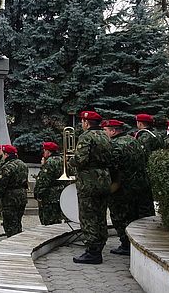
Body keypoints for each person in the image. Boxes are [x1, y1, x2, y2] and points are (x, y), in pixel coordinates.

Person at [68, 111, 112, 265]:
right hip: (104, 180)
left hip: (89, 182)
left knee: (88, 216)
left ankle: (92, 252)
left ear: (86, 123)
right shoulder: (105, 136)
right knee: (100, 215)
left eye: (82, 121)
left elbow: (80, 159)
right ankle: (99, 245)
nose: (82, 124)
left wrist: (70, 161)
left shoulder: (86, 136)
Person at [102, 119, 148, 256]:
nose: (104, 133)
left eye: (105, 130)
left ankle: (126, 244)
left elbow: (113, 167)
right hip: (139, 185)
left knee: (119, 216)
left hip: (122, 188)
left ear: (113, 131)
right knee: (134, 215)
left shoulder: (115, 145)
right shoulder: (133, 140)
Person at [0, 145, 28, 237]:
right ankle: (18, 238)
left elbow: (1, 185)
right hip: (22, 196)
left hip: (10, 198)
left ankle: (12, 243)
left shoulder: (7, 167)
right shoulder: (23, 164)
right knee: (17, 221)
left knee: (9, 224)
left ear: (6, 155)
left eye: (4, 155)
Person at [133, 113, 160, 217]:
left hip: (144, 173)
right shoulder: (156, 134)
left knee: (143, 201)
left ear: (140, 123)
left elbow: (141, 156)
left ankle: (145, 219)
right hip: (153, 170)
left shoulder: (144, 137)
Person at [34, 142, 67, 225]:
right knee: (57, 221)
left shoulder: (50, 162)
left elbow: (44, 181)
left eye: (44, 150)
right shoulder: (63, 160)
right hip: (62, 194)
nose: (43, 152)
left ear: (48, 152)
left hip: (50, 196)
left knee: (48, 222)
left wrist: (38, 194)